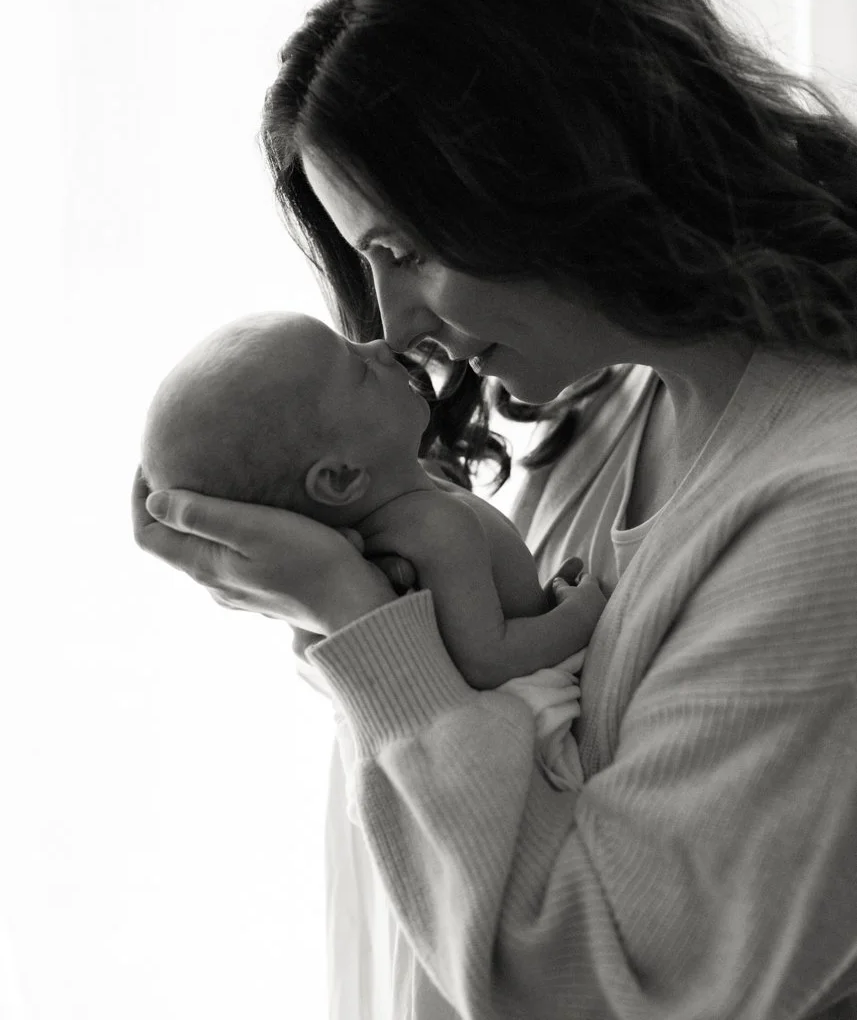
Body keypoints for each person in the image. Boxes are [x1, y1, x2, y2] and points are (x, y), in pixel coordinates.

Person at [133, 0, 857, 1020]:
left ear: (547, 174)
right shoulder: (602, 421)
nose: (390, 327)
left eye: (404, 250)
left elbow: (607, 986)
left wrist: (359, 628)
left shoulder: (824, 516)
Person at [140, 308, 605, 796]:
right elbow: (490, 660)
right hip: (520, 741)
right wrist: (581, 614)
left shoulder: (410, 506)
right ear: (340, 478)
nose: (380, 347)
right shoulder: (432, 527)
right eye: (358, 368)